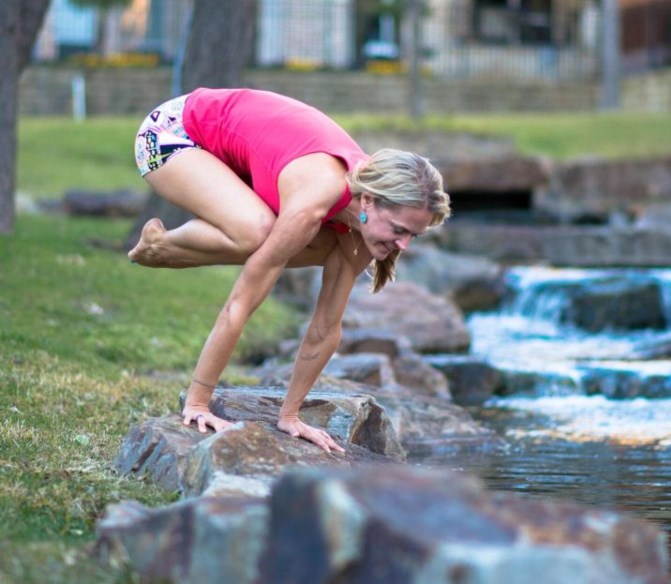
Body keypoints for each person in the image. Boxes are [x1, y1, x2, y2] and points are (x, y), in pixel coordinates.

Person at [129, 87, 451, 453]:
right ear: (368, 201)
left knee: (304, 244)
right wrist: (199, 403)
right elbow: (241, 303)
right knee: (258, 233)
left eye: (413, 235)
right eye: (398, 230)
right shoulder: (315, 198)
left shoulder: (360, 227)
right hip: (172, 133)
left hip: (239, 155)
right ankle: (161, 246)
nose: (404, 245)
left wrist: (291, 416)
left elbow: (326, 326)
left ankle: (167, 248)